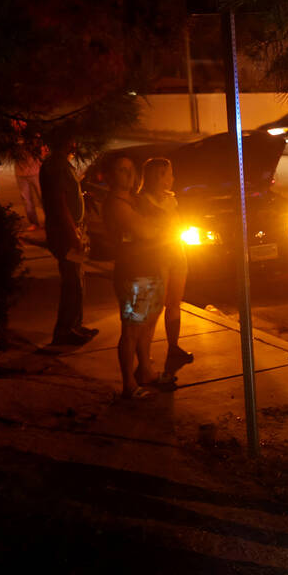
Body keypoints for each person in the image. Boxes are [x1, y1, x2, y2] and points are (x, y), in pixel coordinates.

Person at [104, 156, 166, 400]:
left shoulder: (134, 199)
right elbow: (147, 230)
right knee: (132, 328)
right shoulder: (116, 204)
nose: (129, 176)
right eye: (122, 171)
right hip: (132, 273)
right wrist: (160, 226)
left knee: (148, 322)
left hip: (149, 267)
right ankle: (128, 383)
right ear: (110, 176)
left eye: (131, 170)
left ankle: (146, 371)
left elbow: (163, 218)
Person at [137, 157, 193, 382]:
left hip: (176, 254)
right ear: (158, 176)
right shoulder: (144, 202)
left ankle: (173, 346)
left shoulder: (171, 200)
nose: (172, 178)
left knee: (174, 302)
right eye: (169, 174)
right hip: (158, 258)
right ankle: (144, 357)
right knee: (155, 308)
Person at [40, 133, 97, 346]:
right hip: (65, 233)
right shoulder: (56, 166)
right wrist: (73, 234)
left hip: (72, 230)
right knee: (72, 282)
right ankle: (65, 330)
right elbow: (60, 202)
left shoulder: (63, 165)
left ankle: (75, 325)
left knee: (77, 279)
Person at [12, 130, 46, 230]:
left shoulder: (33, 135)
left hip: (35, 171)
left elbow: (41, 152)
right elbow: (12, 154)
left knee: (42, 197)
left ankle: (50, 220)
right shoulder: (12, 137)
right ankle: (34, 223)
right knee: (27, 200)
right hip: (20, 173)